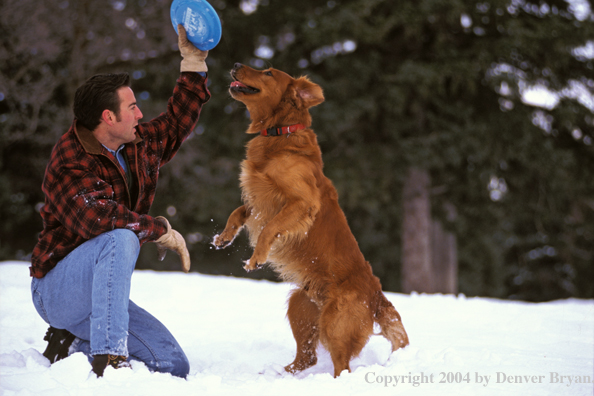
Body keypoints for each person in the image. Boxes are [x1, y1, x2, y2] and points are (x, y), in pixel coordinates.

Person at [29, 25, 209, 378]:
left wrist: (193, 63)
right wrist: (159, 230)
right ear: (108, 118)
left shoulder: (135, 144)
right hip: (57, 291)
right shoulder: (70, 159)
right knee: (121, 235)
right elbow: (99, 219)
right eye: (132, 107)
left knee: (171, 364)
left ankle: (72, 344)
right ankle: (109, 358)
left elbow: (175, 124)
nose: (140, 115)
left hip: (101, 297)